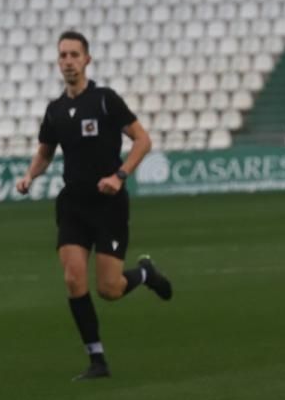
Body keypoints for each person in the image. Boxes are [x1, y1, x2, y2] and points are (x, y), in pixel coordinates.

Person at [16, 31, 173, 380]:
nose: (68, 61)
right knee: (73, 278)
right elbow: (44, 154)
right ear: (58, 62)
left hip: (109, 205)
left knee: (109, 289)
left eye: (74, 54)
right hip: (73, 204)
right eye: (63, 56)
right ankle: (97, 360)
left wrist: (120, 175)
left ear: (87, 59)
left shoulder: (105, 100)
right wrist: (30, 176)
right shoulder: (55, 111)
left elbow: (143, 140)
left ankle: (145, 273)